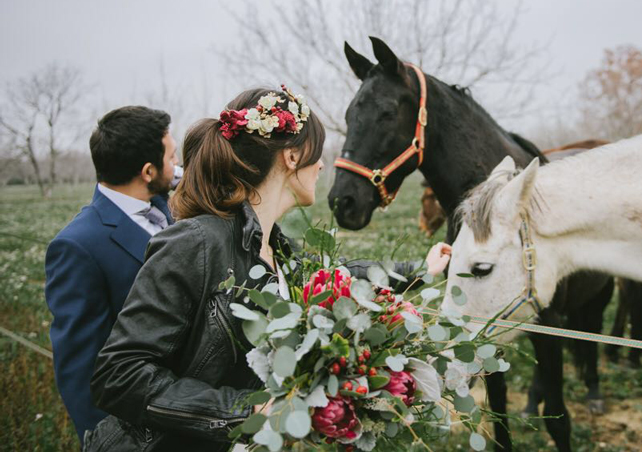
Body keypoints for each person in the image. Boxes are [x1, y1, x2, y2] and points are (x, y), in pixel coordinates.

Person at [86, 88, 451, 451]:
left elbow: (341, 275)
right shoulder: (196, 243)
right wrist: (250, 410)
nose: (322, 165)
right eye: (317, 154)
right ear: (292, 157)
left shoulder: (278, 249)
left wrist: (422, 269)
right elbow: (119, 374)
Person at [44, 106, 179, 444]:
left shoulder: (165, 207)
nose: (177, 168)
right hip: (136, 429)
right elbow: (79, 368)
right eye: (172, 158)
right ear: (148, 171)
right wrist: (108, 441)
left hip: (183, 409)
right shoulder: (76, 245)